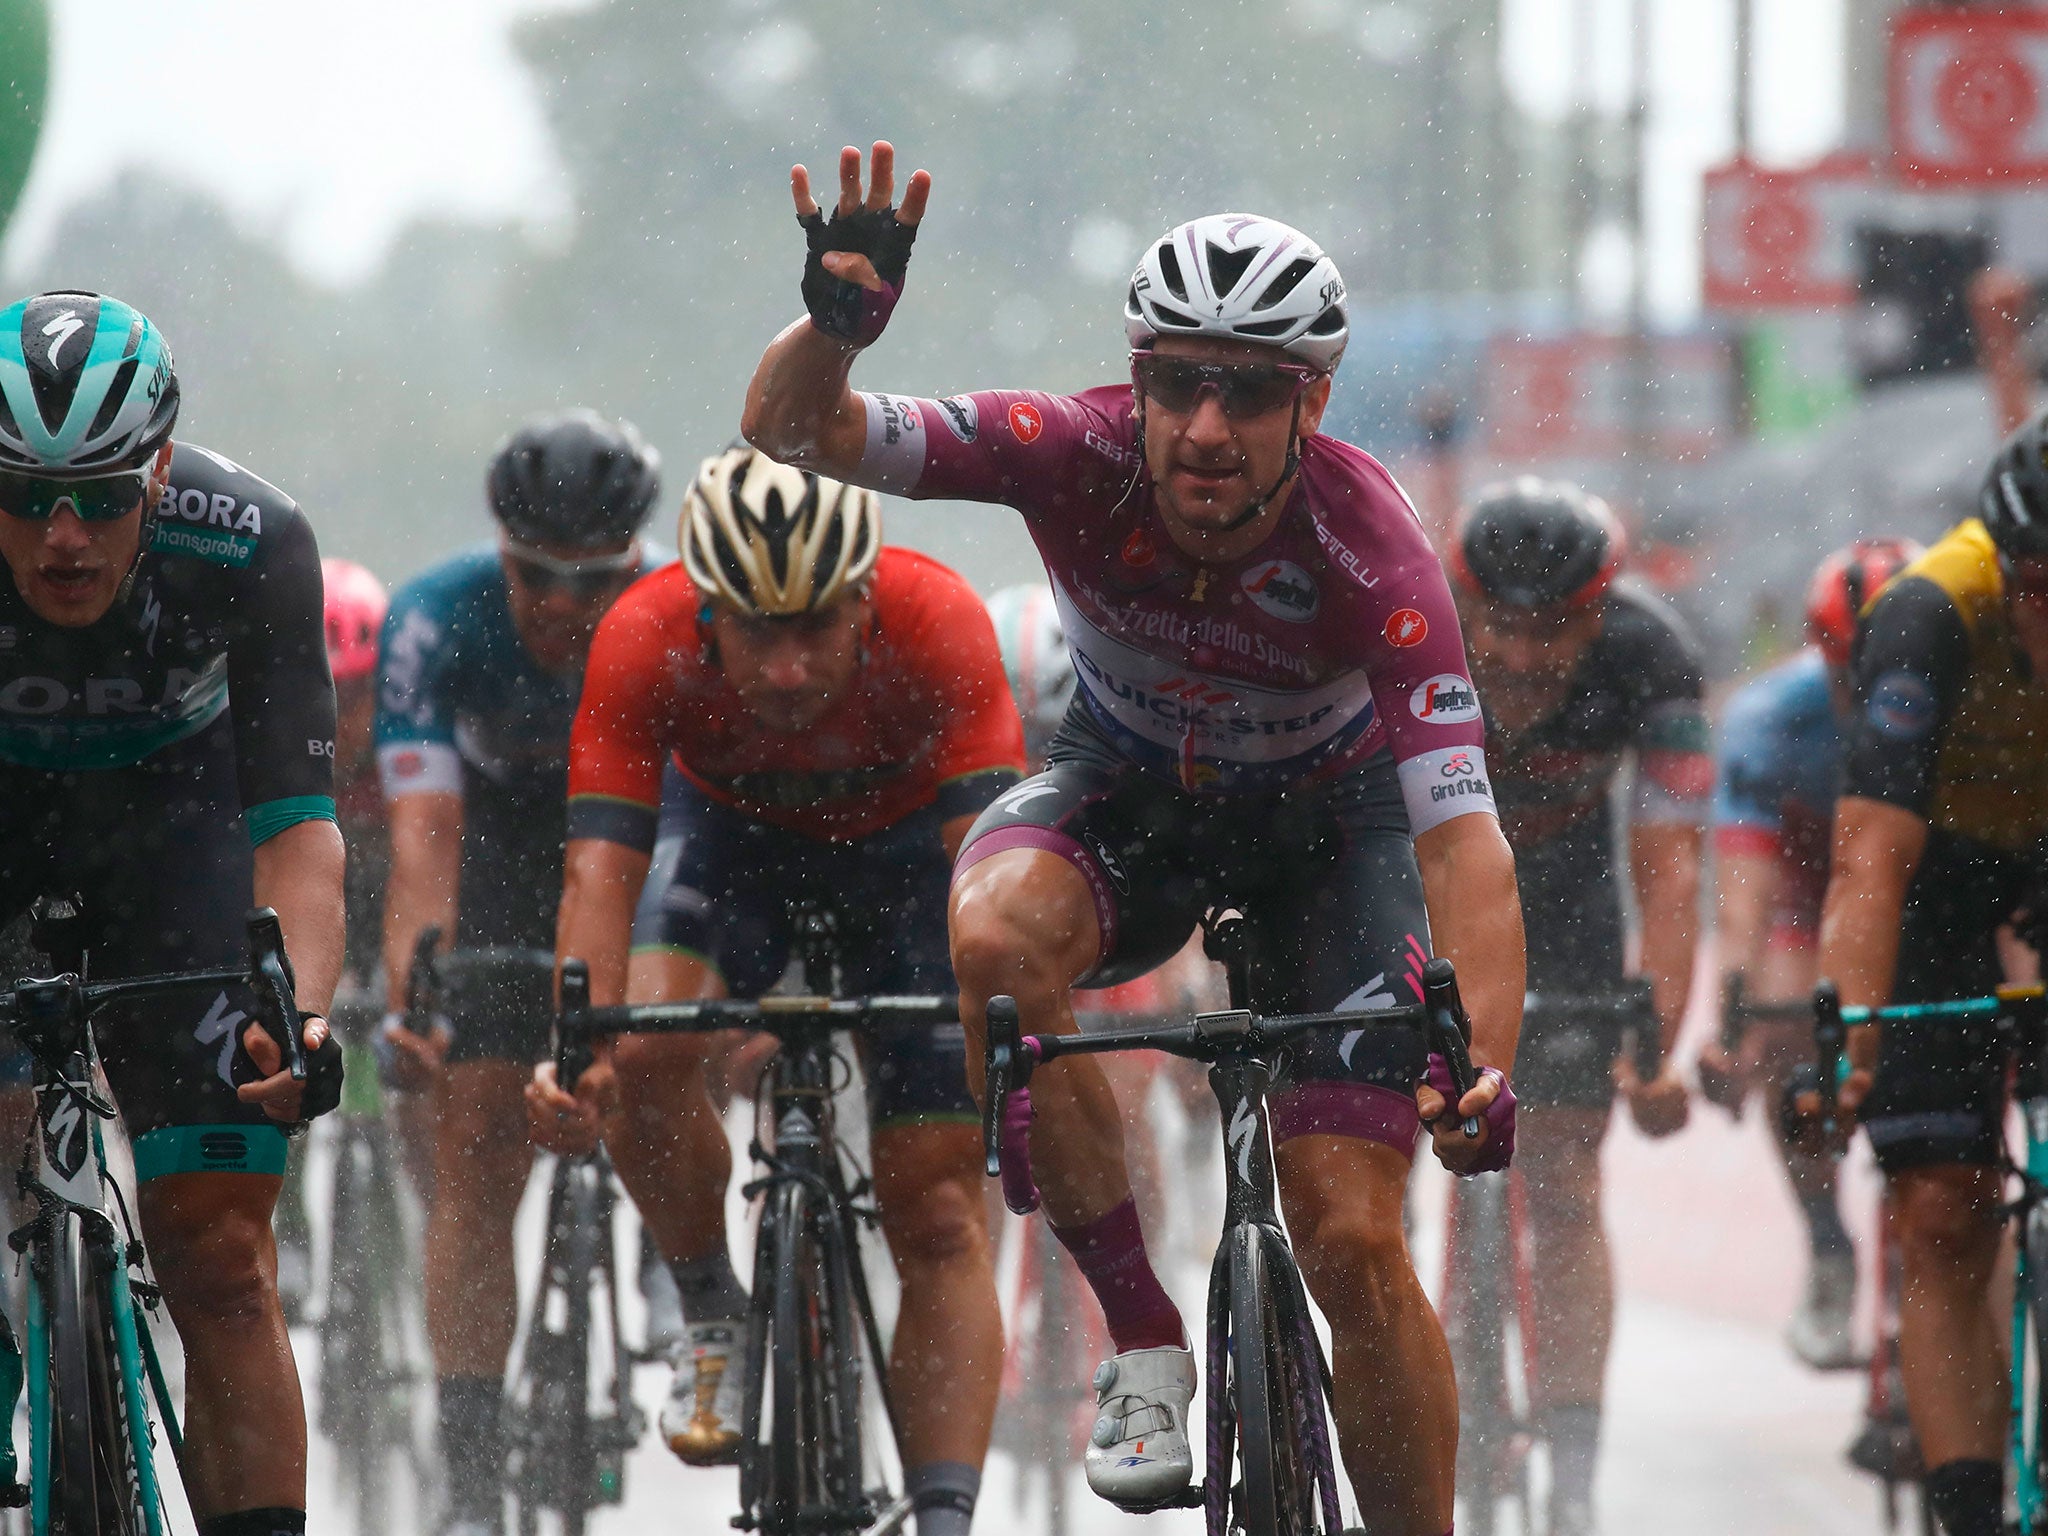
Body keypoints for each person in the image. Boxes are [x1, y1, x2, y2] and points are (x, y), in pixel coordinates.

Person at [741, 142, 1523, 1535]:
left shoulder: (1379, 562)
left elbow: (1465, 848)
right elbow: (797, 437)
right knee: (990, 936)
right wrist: (835, 332)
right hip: (1133, 798)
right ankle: (1144, 1338)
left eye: (1248, 390)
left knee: (1349, 1238)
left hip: (1328, 846)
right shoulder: (1070, 452)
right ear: (1137, 381)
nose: (1204, 428)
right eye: (1176, 383)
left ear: (1314, 401)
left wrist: (1483, 1068)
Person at [527, 444, 1023, 1536]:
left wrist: (1007, 1045)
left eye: (814, 630)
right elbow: (598, 875)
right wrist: (575, 1055)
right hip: (728, 850)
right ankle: (709, 1306)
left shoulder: (937, 619)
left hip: (909, 870)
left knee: (937, 1210)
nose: (788, 669)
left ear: (863, 600)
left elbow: (987, 886)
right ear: (707, 613)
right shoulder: (642, 633)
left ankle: (943, 1515)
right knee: (644, 1046)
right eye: (757, 630)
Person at [0, 291, 345, 1536]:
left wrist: (296, 1014)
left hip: (176, 845)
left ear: (158, 469)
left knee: (221, 1266)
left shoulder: (252, 540)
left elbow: (299, 828)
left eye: (99, 495)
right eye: (26, 497)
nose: (64, 538)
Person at [374, 409, 665, 1536]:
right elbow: (421, 842)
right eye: (536, 575)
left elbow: (699, 842)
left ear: (634, 564)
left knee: (652, 1042)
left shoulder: (674, 617)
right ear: (499, 552)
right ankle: (471, 1468)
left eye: (595, 582)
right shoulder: (435, 619)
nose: (562, 605)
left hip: (634, 837)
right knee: (477, 1141)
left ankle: (665, 1249)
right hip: (493, 852)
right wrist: (420, 995)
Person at [1447, 478, 1706, 1535]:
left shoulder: (1651, 657)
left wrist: (1653, 1048)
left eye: (1549, 629)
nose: (1516, 657)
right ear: (1462, 608)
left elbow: (1670, 874)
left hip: (1565, 898)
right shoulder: (1409, 634)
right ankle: (1455, 1408)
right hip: (1433, 877)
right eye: (1497, 628)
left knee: (1559, 1177)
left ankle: (1573, 1457)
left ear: (1600, 611)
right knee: (1435, 1151)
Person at [1816, 411, 2048, 1536]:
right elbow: (1868, 859)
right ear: (2003, 567)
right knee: (1938, 1206)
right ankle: (1966, 1511)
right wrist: (1846, 1048)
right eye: (2040, 589)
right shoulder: (1926, 610)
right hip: (1939, 877)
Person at [1698, 538, 1921, 1371]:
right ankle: (1830, 1248)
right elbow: (1745, 896)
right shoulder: (1769, 718)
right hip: (1809, 883)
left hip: (1923, 875)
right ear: (1816, 651)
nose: (1866, 700)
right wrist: (1732, 1016)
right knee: (1785, 1023)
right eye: (1845, 676)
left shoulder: (1970, 694)